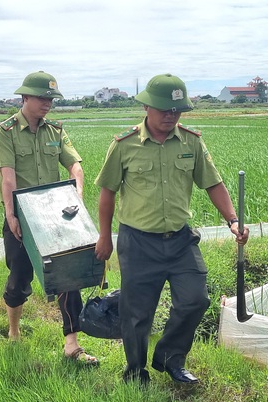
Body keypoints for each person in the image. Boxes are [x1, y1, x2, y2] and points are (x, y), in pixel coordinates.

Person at [94, 73, 250, 385]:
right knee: (137, 313)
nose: (171, 116)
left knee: (195, 300)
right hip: (137, 242)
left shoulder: (192, 141)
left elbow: (213, 183)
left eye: (176, 111)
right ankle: (136, 372)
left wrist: (233, 220)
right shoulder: (124, 145)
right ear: (148, 107)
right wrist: (104, 238)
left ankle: (169, 358)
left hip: (180, 240)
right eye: (165, 109)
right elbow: (107, 193)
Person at [0, 71, 99, 366]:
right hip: (22, 217)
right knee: (19, 278)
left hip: (55, 217)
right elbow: (8, 179)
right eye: (42, 98)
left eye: (51, 98)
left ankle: (71, 344)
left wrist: (76, 195)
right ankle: (13, 331)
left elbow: (75, 167)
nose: (47, 103)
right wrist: (11, 215)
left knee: (68, 275)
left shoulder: (56, 132)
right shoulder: (5, 133)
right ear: (25, 98)